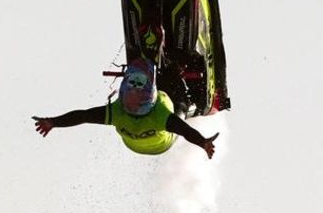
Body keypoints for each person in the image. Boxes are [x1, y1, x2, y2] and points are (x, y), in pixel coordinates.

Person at [34, 58, 218, 160]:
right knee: (180, 103)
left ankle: (146, 66)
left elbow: (83, 116)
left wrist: (53, 122)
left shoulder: (117, 112)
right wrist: (203, 142)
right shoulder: (160, 116)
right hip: (162, 143)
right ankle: (194, 100)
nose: (132, 101)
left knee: (158, 81)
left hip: (133, 144)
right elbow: (185, 131)